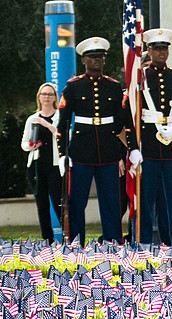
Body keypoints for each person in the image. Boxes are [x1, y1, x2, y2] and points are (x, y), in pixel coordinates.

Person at [57, 37, 139, 245]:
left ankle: (113, 242)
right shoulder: (73, 86)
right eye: (92, 57)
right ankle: (76, 243)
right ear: (83, 60)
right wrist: (62, 154)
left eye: (100, 57)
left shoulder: (113, 86)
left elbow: (125, 121)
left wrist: (132, 148)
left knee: (111, 202)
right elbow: (63, 123)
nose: (97, 61)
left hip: (108, 150)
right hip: (81, 151)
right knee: (77, 202)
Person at [129, 29, 172, 247]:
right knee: (146, 199)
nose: (161, 53)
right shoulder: (139, 77)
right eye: (157, 49)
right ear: (149, 51)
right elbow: (131, 114)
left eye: (164, 48)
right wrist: (133, 147)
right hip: (148, 146)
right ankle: (144, 243)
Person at [21, 82, 62, 243]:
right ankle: (47, 239)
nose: (46, 97)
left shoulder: (59, 115)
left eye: (50, 94)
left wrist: (46, 124)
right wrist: (30, 146)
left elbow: (62, 136)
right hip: (37, 167)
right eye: (44, 94)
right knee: (42, 204)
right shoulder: (32, 118)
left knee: (58, 202)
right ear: (39, 97)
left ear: (54, 98)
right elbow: (24, 143)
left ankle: (67, 237)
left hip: (55, 167)